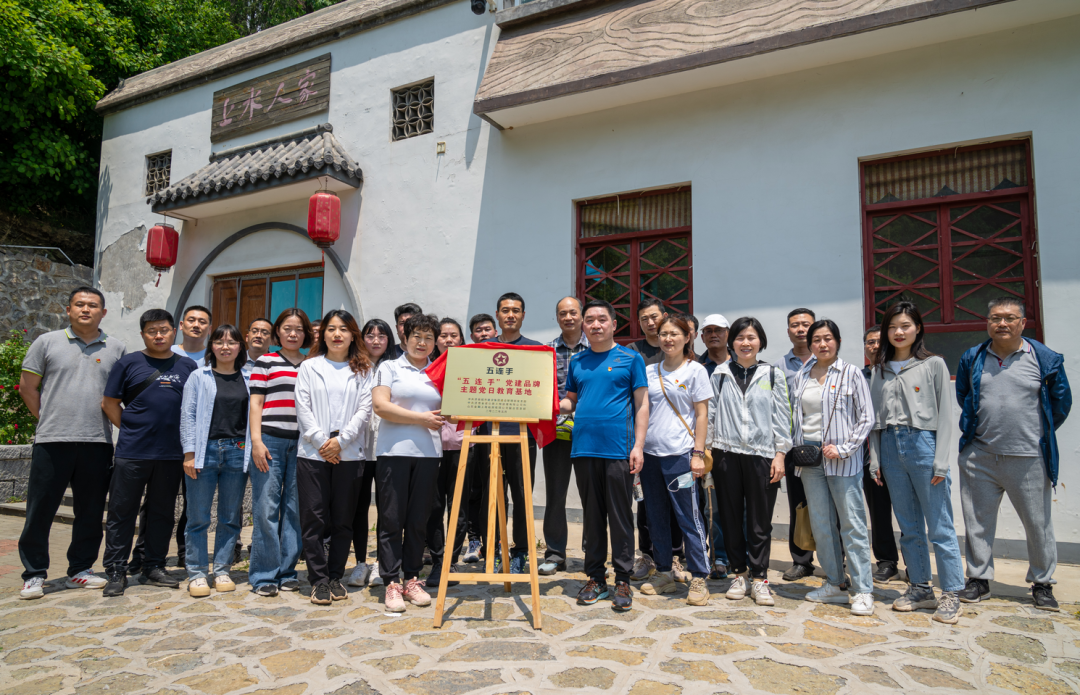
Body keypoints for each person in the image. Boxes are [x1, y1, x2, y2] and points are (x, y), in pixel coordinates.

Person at [956, 297, 1071, 612]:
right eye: (995, 318)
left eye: (1009, 318)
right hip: (980, 456)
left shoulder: (1044, 359)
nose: (1002, 323)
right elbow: (965, 396)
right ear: (987, 322)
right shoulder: (973, 357)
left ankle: (1042, 583)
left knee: (1038, 524)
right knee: (978, 522)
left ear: (1023, 323)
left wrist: (1034, 434)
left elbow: (1060, 404)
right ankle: (979, 580)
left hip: (1028, 458)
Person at [17, 287, 126, 599]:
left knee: (90, 512)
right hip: (52, 441)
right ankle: (34, 574)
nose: (85, 309)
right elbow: (27, 387)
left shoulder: (117, 348)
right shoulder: (46, 342)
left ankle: (80, 569)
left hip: (97, 442)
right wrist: (47, 418)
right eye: (79, 304)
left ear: (103, 312)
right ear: (68, 310)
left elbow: (119, 395)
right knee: (40, 509)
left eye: (92, 305)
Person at [868, 301, 963, 624]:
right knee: (909, 527)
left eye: (905, 325)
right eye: (893, 327)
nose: (899, 332)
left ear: (918, 328)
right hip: (890, 447)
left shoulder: (933, 364)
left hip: (924, 445)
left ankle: (951, 592)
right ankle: (921, 588)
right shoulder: (879, 370)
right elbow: (875, 421)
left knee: (939, 525)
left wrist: (941, 461)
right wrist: (875, 460)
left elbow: (946, 416)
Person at [100, 309, 197, 597]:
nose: (158, 335)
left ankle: (154, 566)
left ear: (173, 332)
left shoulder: (187, 366)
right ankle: (116, 570)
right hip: (133, 452)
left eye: (164, 330)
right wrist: (132, 428)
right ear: (143, 334)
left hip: (171, 454)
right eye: (152, 331)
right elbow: (109, 403)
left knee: (162, 513)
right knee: (122, 512)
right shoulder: (128, 363)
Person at [561, 299, 648, 612]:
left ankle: (623, 579)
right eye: (590, 320)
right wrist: (549, 402)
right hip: (583, 448)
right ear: (583, 325)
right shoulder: (578, 361)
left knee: (621, 516)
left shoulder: (630, 358)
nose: (595, 325)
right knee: (592, 517)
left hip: (618, 450)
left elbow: (642, 404)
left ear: (613, 324)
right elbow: (571, 401)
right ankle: (595, 578)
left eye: (601, 319)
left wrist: (638, 446)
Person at [792, 320, 875, 616]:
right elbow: (796, 417)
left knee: (852, 524)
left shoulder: (851, 373)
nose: (822, 344)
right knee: (821, 524)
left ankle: (863, 589)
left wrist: (845, 448)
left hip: (843, 460)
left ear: (837, 341)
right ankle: (835, 583)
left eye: (828, 338)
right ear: (810, 344)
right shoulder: (802, 375)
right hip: (810, 459)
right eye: (816, 339)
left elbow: (866, 417)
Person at [708, 317, 790, 606]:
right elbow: (711, 415)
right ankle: (739, 574)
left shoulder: (772, 374)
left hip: (762, 455)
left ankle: (759, 578)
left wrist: (780, 454)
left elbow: (783, 416)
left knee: (759, 521)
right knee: (729, 518)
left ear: (760, 342)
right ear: (732, 342)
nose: (746, 343)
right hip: (726, 454)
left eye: (751, 337)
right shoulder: (719, 374)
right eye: (740, 337)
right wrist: (707, 453)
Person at [295, 310, 374, 605]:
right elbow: (302, 408)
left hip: (349, 455)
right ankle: (318, 579)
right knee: (314, 518)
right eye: (331, 329)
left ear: (353, 335)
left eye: (343, 329)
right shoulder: (309, 367)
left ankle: (335, 576)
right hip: (312, 455)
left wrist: (340, 442)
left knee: (343, 520)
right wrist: (321, 442)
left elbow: (364, 411)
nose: (337, 334)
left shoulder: (364, 370)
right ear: (322, 335)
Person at [372, 313, 444, 612]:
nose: (422, 342)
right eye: (417, 336)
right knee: (391, 519)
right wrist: (420, 419)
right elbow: (380, 406)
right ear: (405, 337)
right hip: (393, 452)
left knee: (418, 520)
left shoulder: (439, 371)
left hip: (429, 454)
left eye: (429, 337)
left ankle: (412, 579)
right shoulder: (389, 367)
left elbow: (449, 408)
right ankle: (391, 581)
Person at [638, 316, 712, 606]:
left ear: (687, 337)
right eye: (663, 334)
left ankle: (699, 576)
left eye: (674, 334)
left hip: (681, 455)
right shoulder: (649, 371)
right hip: (651, 455)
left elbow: (702, 414)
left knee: (688, 516)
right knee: (655, 517)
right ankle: (664, 572)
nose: (668, 339)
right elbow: (642, 410)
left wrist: (697, 453)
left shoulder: (695, 371)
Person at [179, 324, 251, 598]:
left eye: (232, 342)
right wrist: (189, 453)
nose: (225, 347)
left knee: (230, 517)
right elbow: (188, 415)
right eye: (219, 341)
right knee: (198, 517)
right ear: (212, 346)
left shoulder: (249, 377)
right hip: (204, 451)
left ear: (240, 347)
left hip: (237, 451)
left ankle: (222, 570)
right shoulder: (199, 376)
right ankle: (197, 573)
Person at [247, 309, 314, 597]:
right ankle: (264, 575)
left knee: (295, 509)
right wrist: (256, 441)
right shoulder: (266, 362)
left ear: (306, 334)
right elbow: (256, 403)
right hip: (270, 442)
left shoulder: (312, 364)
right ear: (278, 332)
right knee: (266, 509)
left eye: (298, 329)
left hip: (303, 443)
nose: (293, 334)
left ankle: (287, 572)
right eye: (287, 328)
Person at [480, 292, 542, 574]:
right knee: (492, 495)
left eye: (516, 310)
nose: (510, 315)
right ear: (497, 315)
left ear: (523, 316)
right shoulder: (483, 350)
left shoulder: (536, 351)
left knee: (521, 494)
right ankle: (493, 549)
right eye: (505, 310)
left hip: (522, 434)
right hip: (488, 433)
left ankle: (521, 551)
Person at [628, 299, 686, 582]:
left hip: (677, 443)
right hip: (644, 441)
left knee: (678, 502)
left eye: (654, 317)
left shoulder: (676, 349)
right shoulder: (633, 352)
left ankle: (675, 556)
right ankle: (647, 555)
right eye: (644, 319)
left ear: (664, 316)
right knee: (645, 503)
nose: (650, 323)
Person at [541, 296, 590, 576]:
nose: (568, 317)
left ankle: (592, 551)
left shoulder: (595, 348)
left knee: (591, 494)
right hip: (556, 431)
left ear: (581, 316)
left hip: (590, 431)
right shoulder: (546, 351)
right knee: (555, 493)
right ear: (557, 317)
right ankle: (555, 552)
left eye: (573, 312)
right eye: (563, 313)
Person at [347, 318, 397, 588]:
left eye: (381, 336)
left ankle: (381, 562)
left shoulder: (394, 368)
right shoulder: (353, 367)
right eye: (370, 335)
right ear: (361, 338)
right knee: (358, 506)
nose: (376, 340)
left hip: (387, 446)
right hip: (357, 447)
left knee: (387, 507)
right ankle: (360, 561)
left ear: (389, 340)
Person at [773, 308, 818, 582]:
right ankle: (801, 561)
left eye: (806, 324)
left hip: (824, 445)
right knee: (798, 504)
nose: (800, 329)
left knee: (831, 505)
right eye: (795, 325)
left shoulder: (826, 360)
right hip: (793, 448)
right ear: (788, 331)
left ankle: (836, 560)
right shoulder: (779, 367)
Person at [426, 317, 469, 588]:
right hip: (430, 446)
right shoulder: (425, 368)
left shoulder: (470, 368)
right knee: (433, 507)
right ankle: (437, 559)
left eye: (454, 335)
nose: (449, 340)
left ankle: (451, 560)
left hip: (464, 445)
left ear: (461, 339)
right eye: (443, 335)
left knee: (458, 507)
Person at [861, 325, 901, 584]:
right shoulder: (859, 376)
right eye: (869, 342)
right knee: (879, 511)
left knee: (909, 512)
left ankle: (916, 564)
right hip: (869, 454)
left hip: (900, 451)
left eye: (879, 341)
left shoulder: (900, 373)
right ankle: (887, 562)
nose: (874, 346)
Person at [697, 313, 731, 576]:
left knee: (741, 506)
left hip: (738, 445)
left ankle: (742, 556)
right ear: (701, 337)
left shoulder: (742, 364)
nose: (713, 335)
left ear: (727, 333)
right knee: (712, 506)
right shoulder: (696, 368)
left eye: (718, 330)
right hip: (707, 447)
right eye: (708, 331)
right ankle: (718, 556)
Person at [463, 312, 498, 563]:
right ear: (472, 335)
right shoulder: (466, 359)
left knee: (495, 490)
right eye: (478, 330)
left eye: (487, 329)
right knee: (474, 490)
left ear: (495, 332)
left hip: (498, 434)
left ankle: (495, 541)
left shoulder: (506, 359)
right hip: (470, 434)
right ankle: (474, 540)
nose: (483, 333)